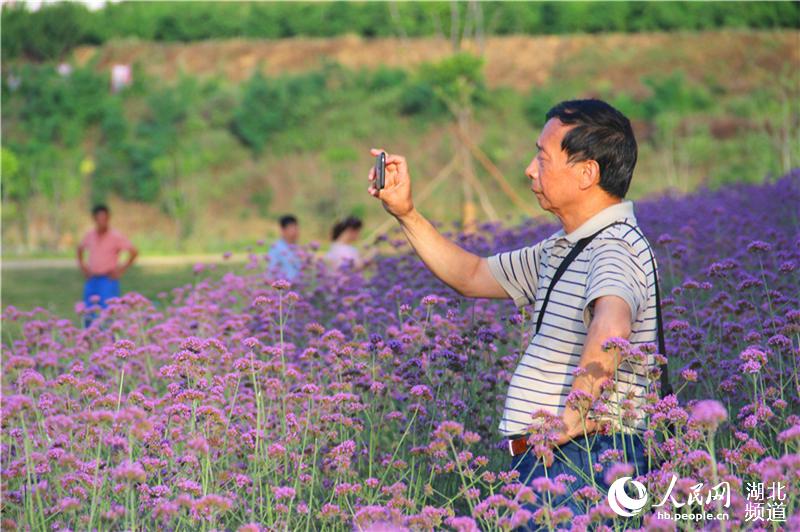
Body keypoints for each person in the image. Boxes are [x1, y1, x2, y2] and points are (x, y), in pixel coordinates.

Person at [367, 99, 657, 525]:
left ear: (586, 173)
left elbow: (611, 324)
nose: (529, 169)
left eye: (542, 157)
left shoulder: (614, 248)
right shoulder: (566, 247)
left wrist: (572, 418)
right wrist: (406, 213)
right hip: (554, 461)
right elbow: (471, 274)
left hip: (580, 464)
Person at [77, 204, 138, 324]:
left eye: (104, 219)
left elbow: (133, 252)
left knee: (108, 313)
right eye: (99, 219)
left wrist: (121, 269)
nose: (102, 222)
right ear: (94, 219)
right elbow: (80, 249)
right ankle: (90, 340)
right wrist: (83, 267)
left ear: (109, 218)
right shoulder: (90, 235)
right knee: (89, 313)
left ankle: (110, 340)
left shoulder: (115, 236)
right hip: (92, 279)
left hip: (108, 279)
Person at [267, 215, 301, 282]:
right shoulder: (276, 247)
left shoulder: (298, 248)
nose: (295, 232)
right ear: (283, 230)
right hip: (283, 288)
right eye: (291, 228)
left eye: (296, 228)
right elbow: (271, 271)